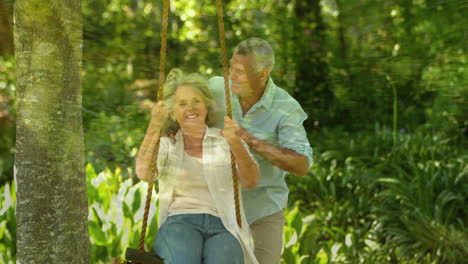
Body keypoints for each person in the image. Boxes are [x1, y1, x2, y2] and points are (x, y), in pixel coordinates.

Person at [135, 69, 260, 264]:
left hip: (224, 226)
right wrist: (154, 126)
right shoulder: (168, 145)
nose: (190, 108)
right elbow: (144, 172)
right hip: (180, 222)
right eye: (182, 104)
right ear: (173, 113)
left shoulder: (226, 139)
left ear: (206, 107)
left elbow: (251, 181)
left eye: (196, 101)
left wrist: (236, 143)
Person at [208, 37, 313, 264]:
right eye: (230, 68)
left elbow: (301, 164)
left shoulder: (286, 108)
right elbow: (183, 108)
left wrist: (247, 138)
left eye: (240, 72)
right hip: (215, 206)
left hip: (262, 209)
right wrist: (171, 128)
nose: (231, 76)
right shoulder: (216, 88)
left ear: (262, 75)